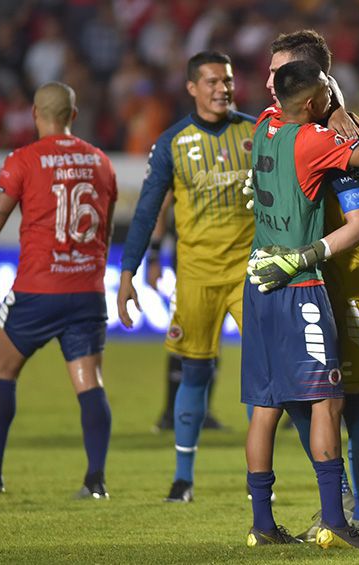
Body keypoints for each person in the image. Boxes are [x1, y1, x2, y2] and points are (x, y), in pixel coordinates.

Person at [241, 59, 359, 549]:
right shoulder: (313, 141)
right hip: (299, 283)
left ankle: (262, 526)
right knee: (329, 400)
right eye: (326, 92)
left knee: (265, 407)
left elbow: (280, 104)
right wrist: (346, 115)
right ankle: (337, 519)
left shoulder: (265, 125)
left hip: (257, 280)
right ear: (312, 103)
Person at [0, 82, 117, 499]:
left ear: (34, 114)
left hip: (37, 288)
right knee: (90, 382)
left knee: (1, 370)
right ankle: (95, 480)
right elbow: (107, 226)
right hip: (87, 289)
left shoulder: (23, 159)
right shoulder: (101, 162)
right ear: (74, 116)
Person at [117, 51, 256, 503]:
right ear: (192, 88)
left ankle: (261, 479)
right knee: (193, 374)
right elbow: (146, 212)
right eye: (213, 81)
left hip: (250, 274)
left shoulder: (257, 132)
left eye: (228, 81)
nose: (223, 89)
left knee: (265, 376)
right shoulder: (172, 143)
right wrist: (127, 272)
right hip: (195, 278)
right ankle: (183, 477)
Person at [145, 193, 226, 434]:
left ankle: (201, 411)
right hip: (189, 261)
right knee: (184, 332)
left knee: (213, 337)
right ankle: (171, 412)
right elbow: (161, 204)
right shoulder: (182, 157)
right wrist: (154, 254)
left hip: (225, 259)